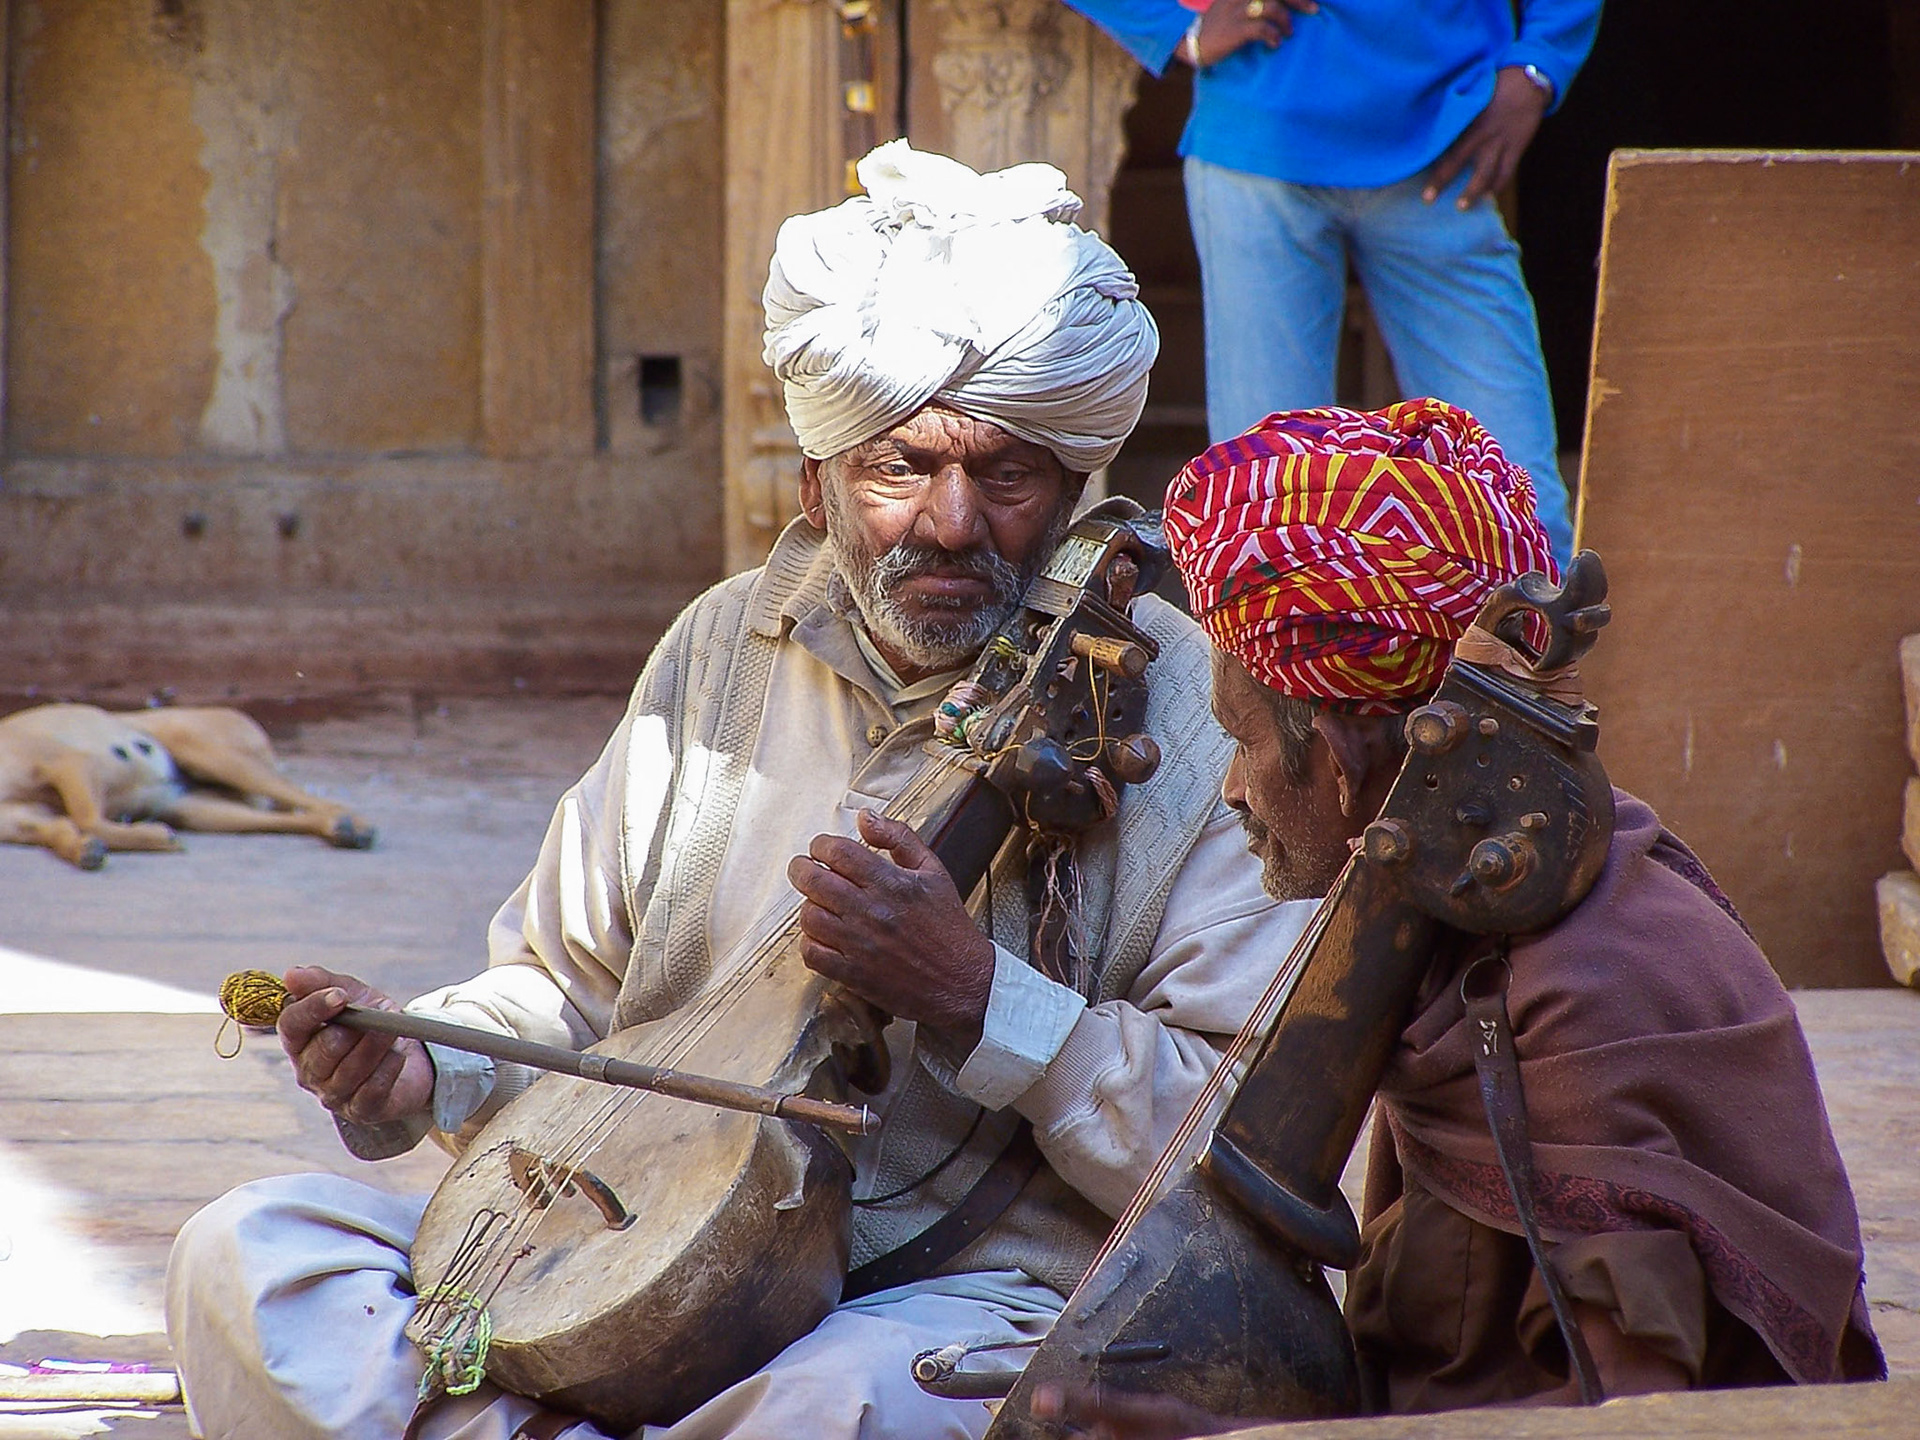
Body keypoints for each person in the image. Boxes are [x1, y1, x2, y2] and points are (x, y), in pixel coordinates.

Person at [163, 140, 1319, 1440]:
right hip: (627, 1230)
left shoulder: (1194, 712)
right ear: (816, 482)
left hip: (942, 1295)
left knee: (840, 1409)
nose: (952, 521)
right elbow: (561, 987)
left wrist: (979, 996)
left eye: (1006, 475)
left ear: (1074, 487)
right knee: (250, 1255)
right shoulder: (723, 647)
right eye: (899, 468)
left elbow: (1237, 1150)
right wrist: (423, 1064)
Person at [1025, 398, 1883, 1433]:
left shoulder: (1589, 998)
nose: (1233, 792)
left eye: (1242, 744)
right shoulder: (1456, 919)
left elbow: (1635, 1423)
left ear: (1344, 755)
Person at [1061, 0, 1597, 566]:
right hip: (1260, 145)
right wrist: (1175, 29)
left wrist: (1537, 68)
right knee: (1264, 510)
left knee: (1526, 519)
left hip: (1444, 139)